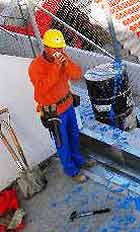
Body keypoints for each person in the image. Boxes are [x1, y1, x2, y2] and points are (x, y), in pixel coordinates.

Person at [28, 29, 94, 183]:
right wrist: (56, 67)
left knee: (74, 136)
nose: (59, 51)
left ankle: (79, 161)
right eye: (55, 48)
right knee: (62, 143)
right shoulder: (36, 66)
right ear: (45, 47)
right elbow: (41, 91)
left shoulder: (62, 57)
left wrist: (65, 64)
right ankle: (71, 170)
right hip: (55, 113)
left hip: (68, 105)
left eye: (60, 48)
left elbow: (77, 74)